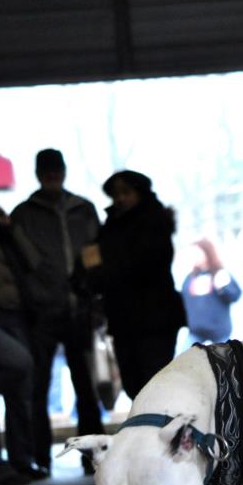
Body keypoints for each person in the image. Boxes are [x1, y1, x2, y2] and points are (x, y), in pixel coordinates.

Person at [11, 149, 103, 474]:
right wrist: (30, 302)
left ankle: (92, 457)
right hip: (41, 312)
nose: (52, 175)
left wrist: (94, 297)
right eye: (46, 171)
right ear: (38, 174)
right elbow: (19, 265)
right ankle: (41, 458)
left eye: (56, 170)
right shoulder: (23, 215)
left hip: (80, 310)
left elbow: (95, 255)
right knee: (38, 387)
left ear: (63, 171)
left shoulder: (84, 210)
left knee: (86, 388)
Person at [81, 170, 185, 399]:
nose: (120, 199)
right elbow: (93, 260)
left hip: (154, 319)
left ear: (140, 193)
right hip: (124, 319)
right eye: (116, 194)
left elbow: (140, 265)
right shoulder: (111, 226)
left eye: (126, 193)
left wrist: (104, 272)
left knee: (155, 382)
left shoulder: (154, 222)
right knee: (134, 383)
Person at [0, 174, 46, 485]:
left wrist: (9, 230)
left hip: (12, 312)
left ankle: (19, 459)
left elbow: (33, 262)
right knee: (5, 374)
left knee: (19, 387)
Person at [181, 238, 242, 345]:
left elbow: (235, 295)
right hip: (196, 332)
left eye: (197, 253)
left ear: (206, 252)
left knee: (225, 359)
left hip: (219, 332)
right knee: (183, 359)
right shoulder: (191, 277)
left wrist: (223, 287)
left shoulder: (219, 273)